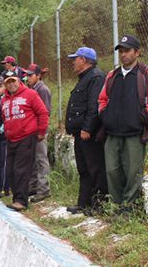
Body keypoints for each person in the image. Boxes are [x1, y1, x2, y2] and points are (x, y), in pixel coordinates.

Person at [98, 35, 148, 211]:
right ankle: (116, 205)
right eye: (121, 51)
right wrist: (105, 115)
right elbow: (102, 99)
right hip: (112, 132)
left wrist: (144, 117)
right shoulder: (112, 75)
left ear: (137, 52)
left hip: (135, 133)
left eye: (127, 50)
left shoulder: (147, 74)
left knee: (132, 172)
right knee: (112, 170)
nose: (123, 54)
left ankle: (128, 207)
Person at [65, 47, 107, 215]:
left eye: (75, 58)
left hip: (89, 134)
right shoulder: (84, 78)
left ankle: (99, 206)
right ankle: (83, 204)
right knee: (84, 169)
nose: (73, 62)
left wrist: (87, 128)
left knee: (96, 169)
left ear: (84, 60)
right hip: (80, 133)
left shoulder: (96, 77)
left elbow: (94, 105)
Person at [1, 71, 49, 211]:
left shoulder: (30, 94)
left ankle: (21, 201)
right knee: (10, 170)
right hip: (11, 138)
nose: (11, 84)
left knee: (21, 170)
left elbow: (43, 112)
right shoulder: (4, 99)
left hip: (26, 137)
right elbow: (5, 118)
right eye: (8, 82)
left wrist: (41, 131)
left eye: (13, 81)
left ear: (19, 81)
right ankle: (17, 197)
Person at [25, 63, 52, 203]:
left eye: (30, 75)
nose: (28, 78)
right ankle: (33, 187)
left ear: (38, 75)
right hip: (32, 130)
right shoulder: (32, 89)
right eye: (27, 75)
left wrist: (42, 131)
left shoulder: (43, 90)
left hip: (40, 131)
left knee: (41, 160)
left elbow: (45, 112)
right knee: (33, 160)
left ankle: (43, 189)